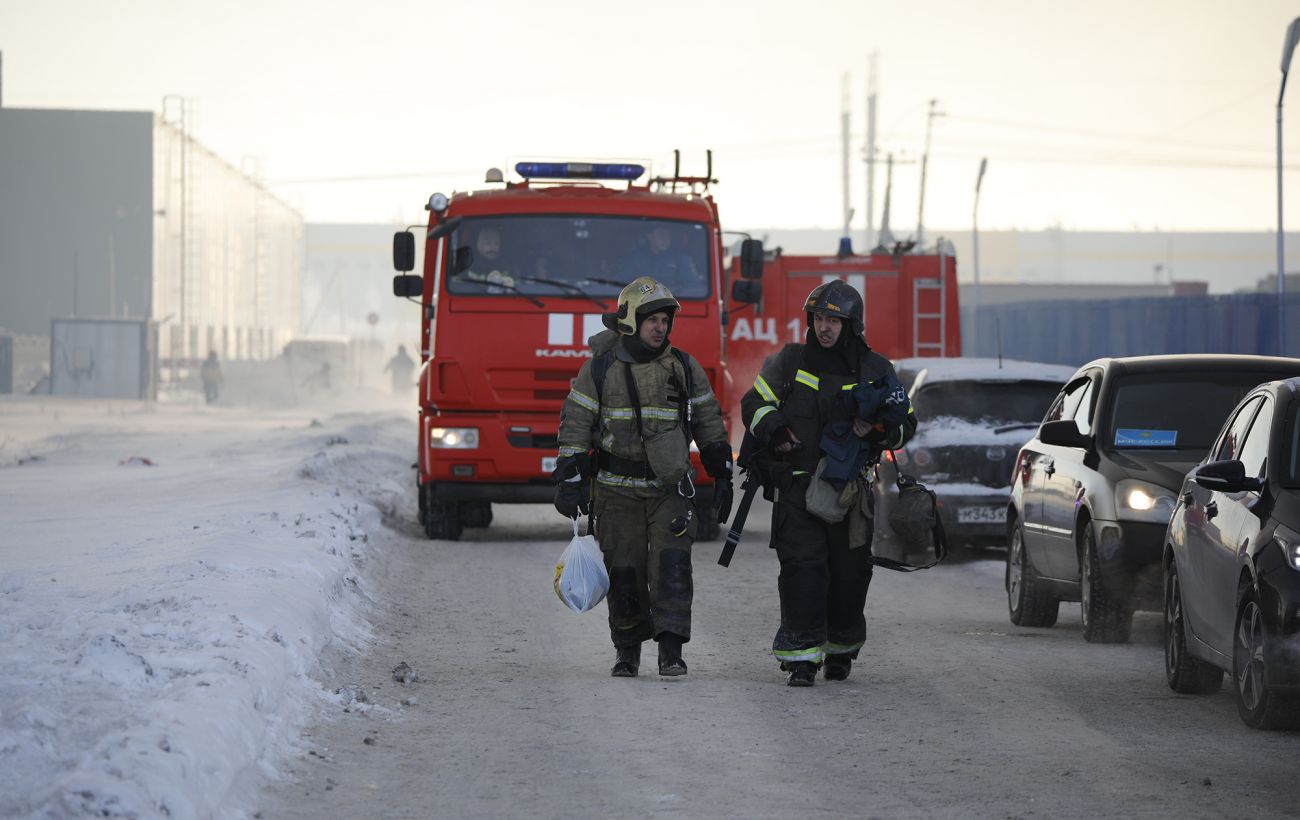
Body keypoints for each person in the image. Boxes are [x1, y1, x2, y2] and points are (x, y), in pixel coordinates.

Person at [553, 276, 734, 678]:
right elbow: (576, 424)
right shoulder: (599, 370)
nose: (660, 327)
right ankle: (627, 651)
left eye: (665, 320)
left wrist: (723, 474)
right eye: (651, 319)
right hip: (616, 493)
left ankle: (671, 651)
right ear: (629, 321)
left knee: (672, 566)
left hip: (669, 490)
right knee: (625, 572)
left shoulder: (684, 368)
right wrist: (568, 478)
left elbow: (708, 423)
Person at [739, 280, 917, 687]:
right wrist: (777, 429)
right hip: (798, 488)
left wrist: (877, 428)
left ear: (851, 324)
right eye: (819, 319)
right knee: (803, 570)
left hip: (850, 492)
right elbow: (754, 402)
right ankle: (801, 658)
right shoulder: (789, 361)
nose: (824, 328)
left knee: (850, 575)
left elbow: (905, 424)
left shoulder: (876, 369)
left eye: (833, 320)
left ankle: (840, 651)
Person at [618, 224, 702, 292]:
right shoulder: (635, 259)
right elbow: (621, 285)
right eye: (661, 234)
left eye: (668, 234)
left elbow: (692, 288)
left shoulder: (681, 259)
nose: (666, 238)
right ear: (650, 236)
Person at [464, 226, 516, 290]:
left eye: (496, 244)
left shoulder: (506, 264)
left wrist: (510, 281)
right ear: (479, 245)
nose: (492, 248)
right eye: (488, 243)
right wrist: (486, 279)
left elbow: (517, 280)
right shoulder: (470, 264)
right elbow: (460, 282)